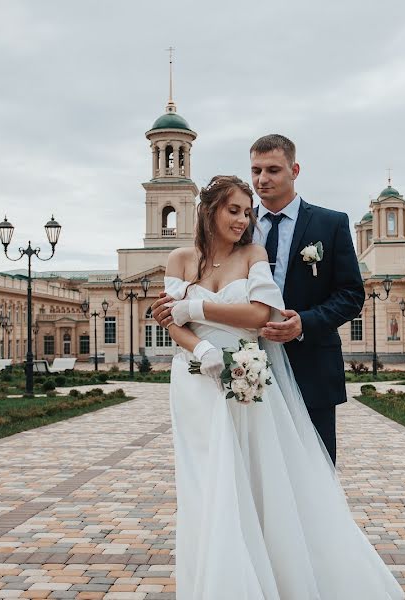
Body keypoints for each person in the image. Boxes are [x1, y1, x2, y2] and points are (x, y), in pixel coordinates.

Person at [158, 175, 402, 599]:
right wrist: (198, 350)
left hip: (246, 377)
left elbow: (259, 314)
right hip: (195, 384)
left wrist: (194, 305)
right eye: (233, 209)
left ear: (293, 169)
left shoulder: (254, 252)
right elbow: (168, 320)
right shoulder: (179, 259)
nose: (243, 218)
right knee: (204, 486)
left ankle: (268, 578)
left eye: (247, 212)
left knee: (252, 479)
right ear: (209, 210)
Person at [154, 134, 364, 465]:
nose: (262, 179)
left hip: (310, 366)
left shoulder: (330, 223)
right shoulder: (238, 227)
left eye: (273, 170)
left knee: (315, 470)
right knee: (251, 472)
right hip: (240, 365)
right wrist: (171, 310)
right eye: (256, 170)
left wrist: (304, 323)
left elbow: (352, 295)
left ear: (294, 170)